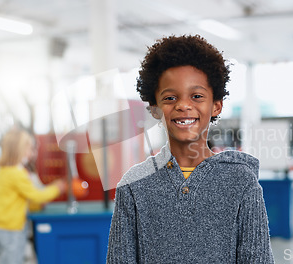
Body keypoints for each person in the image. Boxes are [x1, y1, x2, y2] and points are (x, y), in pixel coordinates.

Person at [107, 35, 274, 263]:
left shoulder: (241, 182)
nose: (184, 105)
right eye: (170, 97)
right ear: (154, 108)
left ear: (216, 105)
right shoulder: (133, 185)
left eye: (196, 96)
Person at [0, 129, 67, 264]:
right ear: (19, 150)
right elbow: (37, 196)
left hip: (0, 225)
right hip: (10, 227)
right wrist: (57, 188)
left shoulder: (2, 170)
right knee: (13, 260)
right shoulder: (16, 174)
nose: (32, 153)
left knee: (7, 259)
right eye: (29, 149)